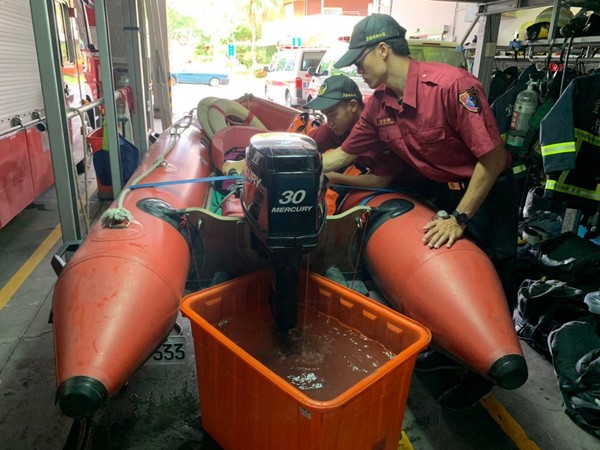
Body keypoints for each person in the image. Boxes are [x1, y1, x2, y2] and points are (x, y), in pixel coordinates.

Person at [322, 13, 520, 410]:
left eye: (360, 60)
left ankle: (486, 371)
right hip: (441, 191)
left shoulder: (451, 86)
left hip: (485, 191)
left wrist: (461, 218)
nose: (358, 70)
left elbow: (492, 158)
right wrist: (283, 158)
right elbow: (343, 154)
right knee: (444, 268)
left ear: (383, 49)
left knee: (490, 273)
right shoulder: (378, 106)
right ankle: (448, 349)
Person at [303, 75, 402, 213]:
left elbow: (381, 181)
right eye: (326, 116)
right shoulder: (336, 127)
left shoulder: (381, 125)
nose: (329, 122)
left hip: (410, 186)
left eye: (332, 114)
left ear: (353, 106)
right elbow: (304, 145)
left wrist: (338, 178)